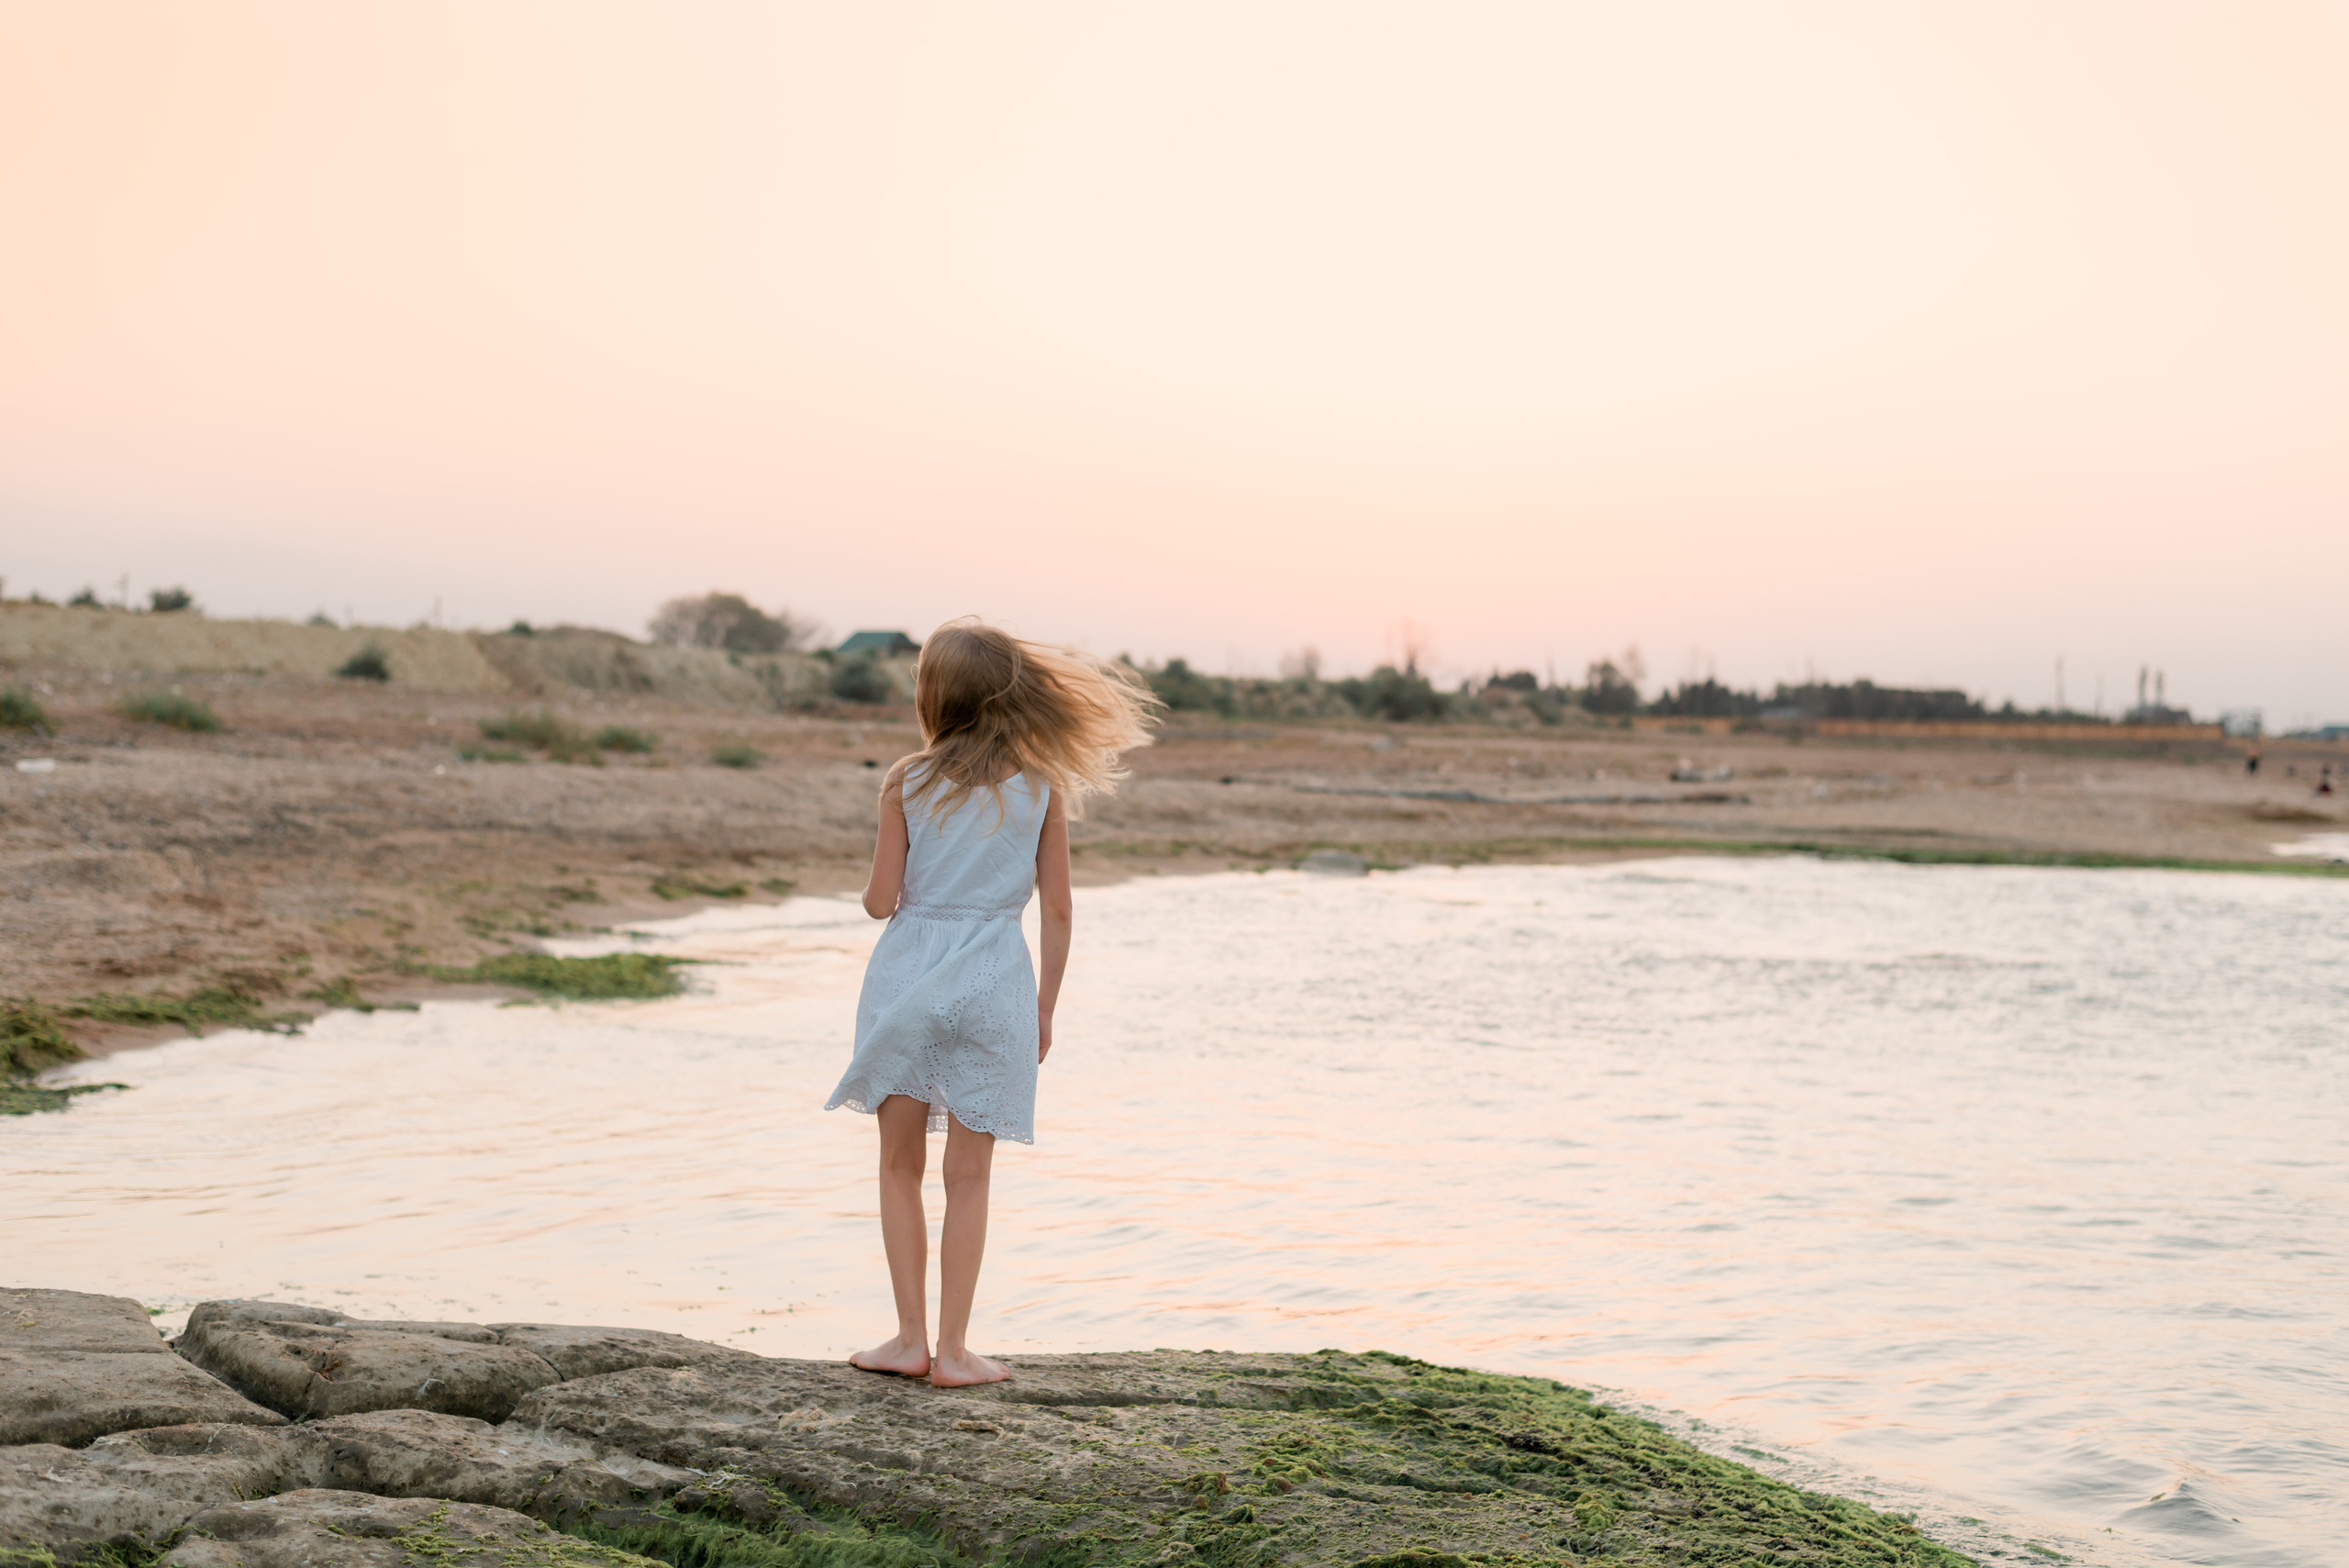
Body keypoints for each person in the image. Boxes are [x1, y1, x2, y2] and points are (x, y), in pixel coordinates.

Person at [826, 618, 1157, 1385]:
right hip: (995, 984)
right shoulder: (1042, 785)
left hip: (907, 984)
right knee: (969, 1176)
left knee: (899, 1166)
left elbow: (880, 903)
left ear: (934, 696)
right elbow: (1060, 910)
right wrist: (1044, 1008)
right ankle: (955, 1350)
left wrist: (896, 883)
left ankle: (907, 1339)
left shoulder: (905, 780)